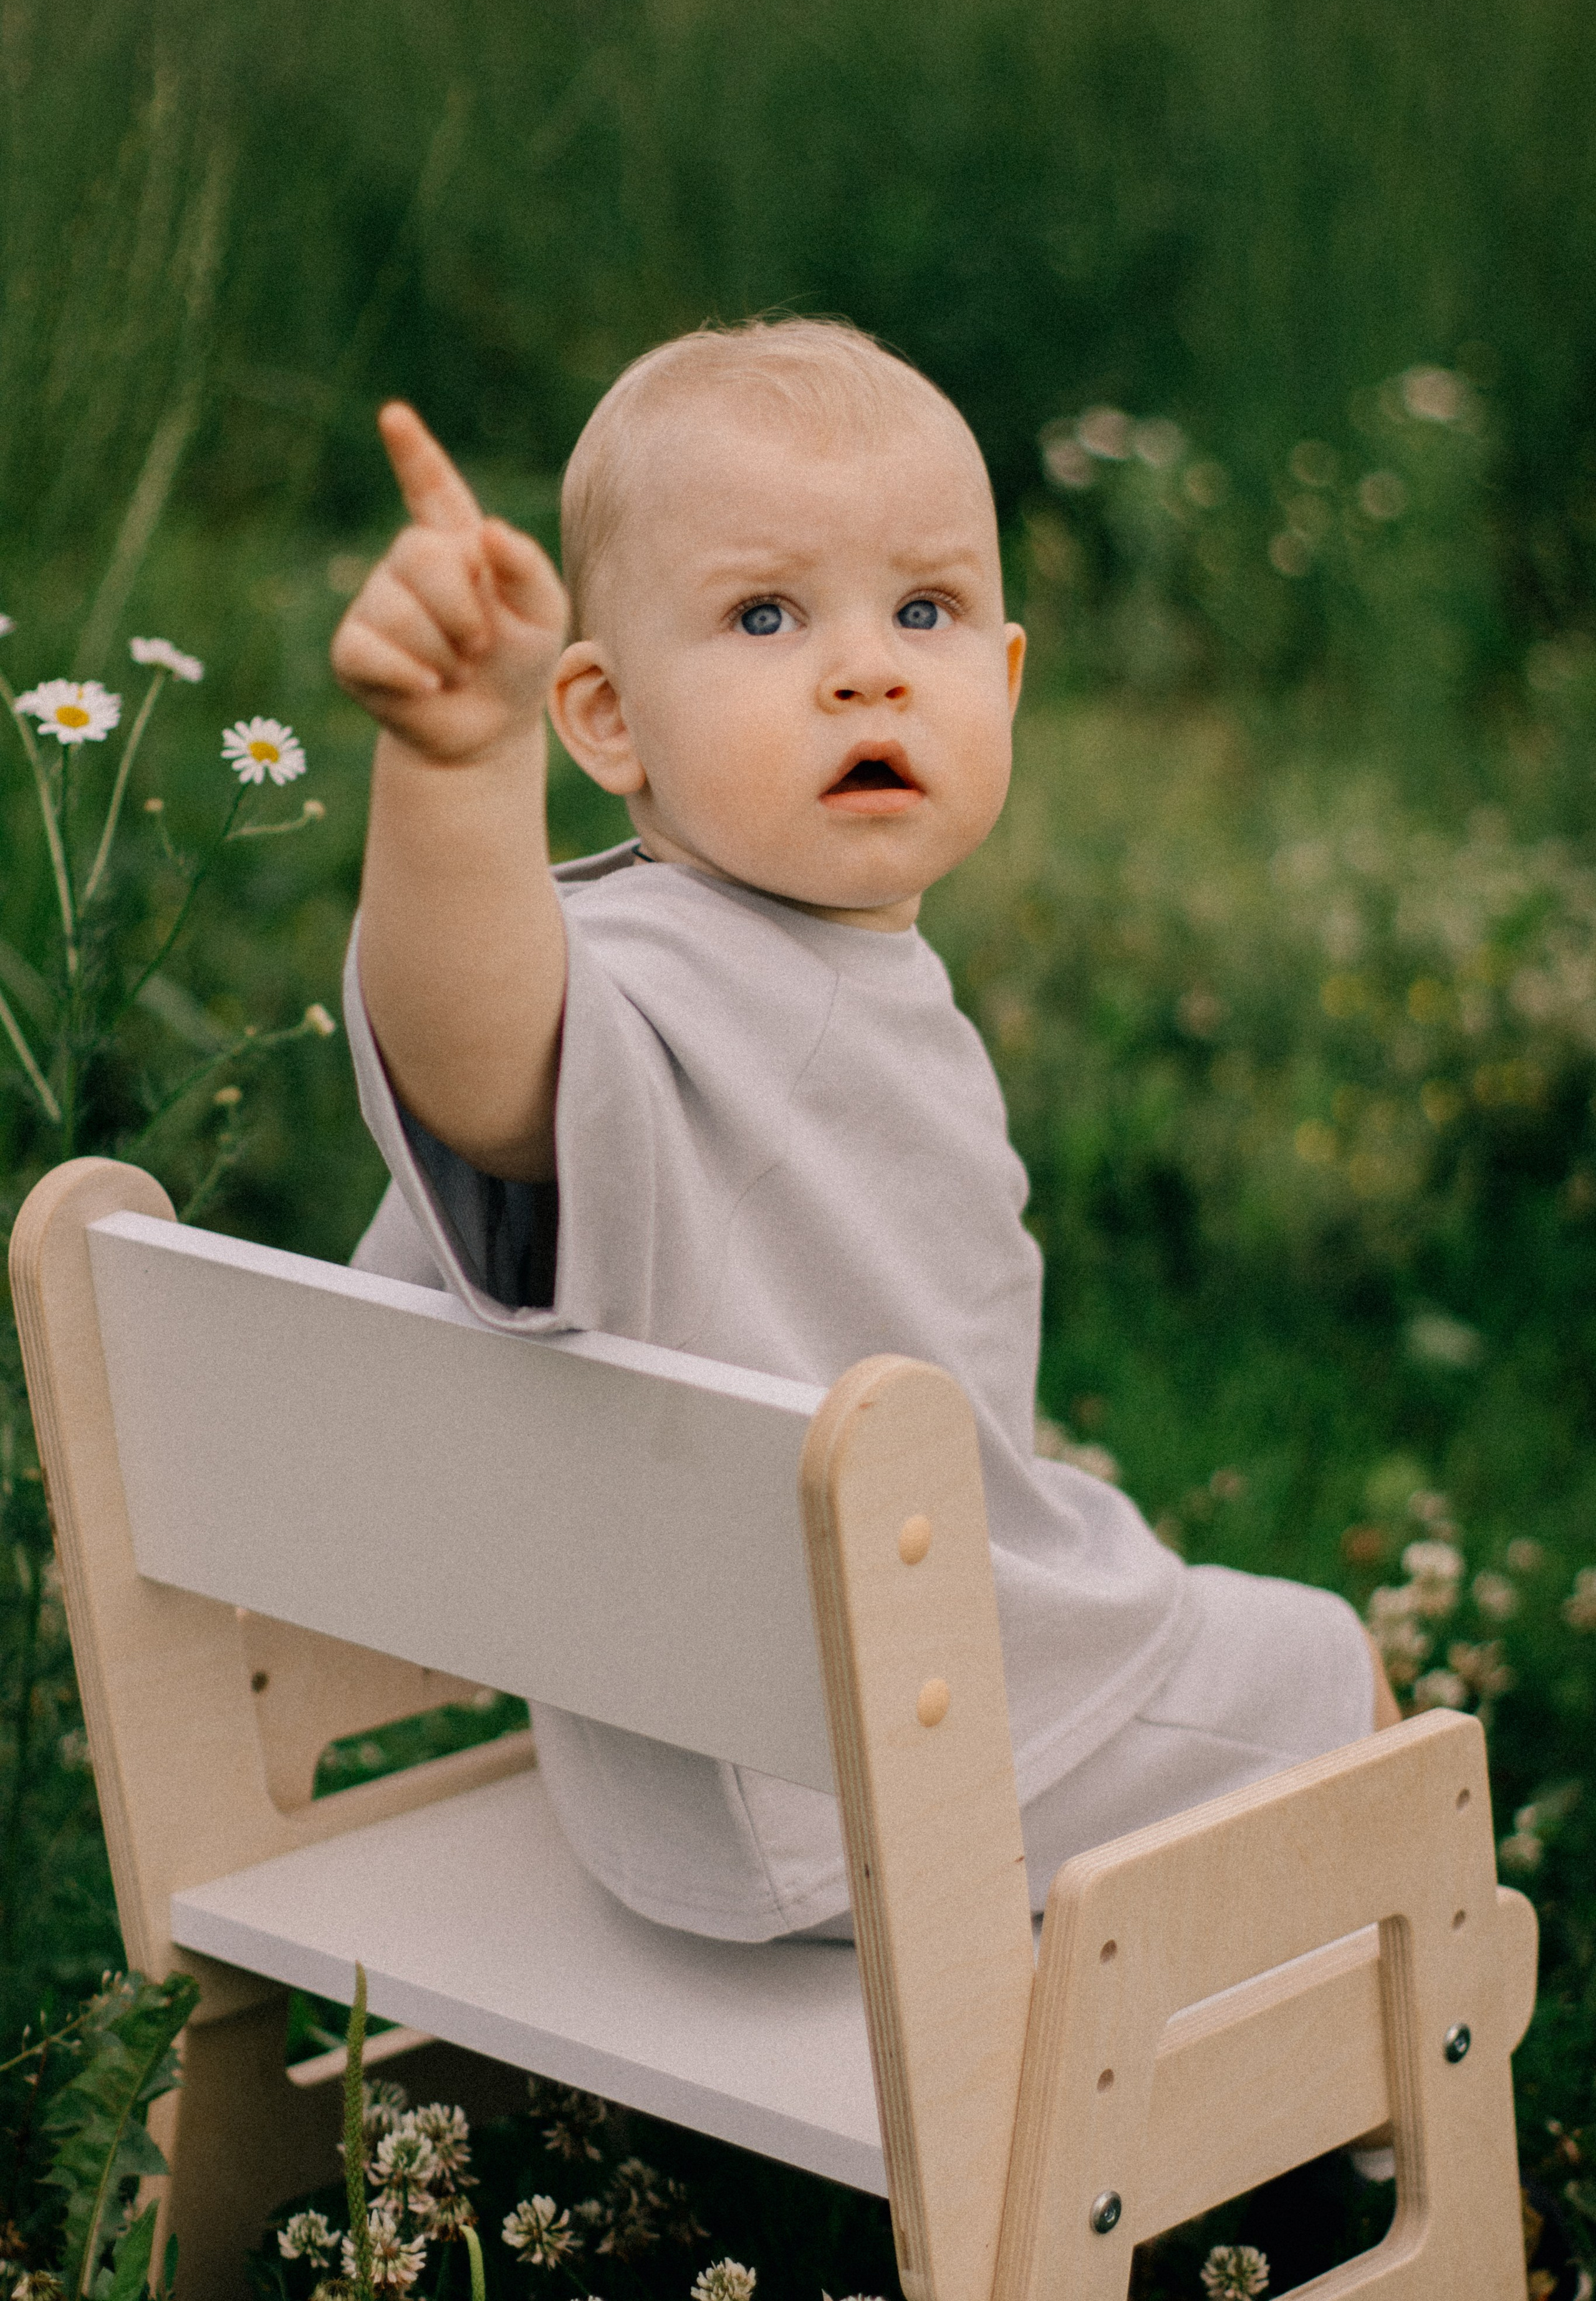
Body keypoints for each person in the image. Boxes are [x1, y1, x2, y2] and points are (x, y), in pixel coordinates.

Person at [331, 316, 1399, 1944]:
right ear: (605, 723)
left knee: (1116, 1548)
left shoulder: (769, 965)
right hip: (862, 1787)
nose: (867, 665)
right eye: (765, 613)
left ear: (1010, 678)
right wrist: (454, 765)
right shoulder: (655, 1010)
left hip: (708, 1758)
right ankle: (1359, 2130)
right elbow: (482, 1064)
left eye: (927, 608)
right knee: (1338, 1675)